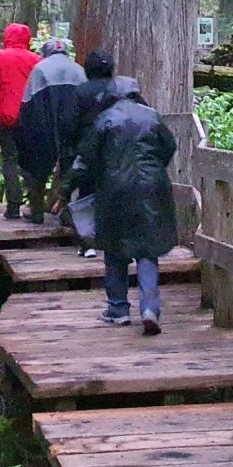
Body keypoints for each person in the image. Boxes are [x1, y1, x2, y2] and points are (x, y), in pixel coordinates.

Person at [69, 77, 177, 335]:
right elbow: (169, 146)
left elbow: (85, 159)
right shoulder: (152, 116)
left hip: (114, 188)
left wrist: (65, 190)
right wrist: (154, 167)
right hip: (152, 187)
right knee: (147, 250)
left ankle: (118, 310)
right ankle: (150, 308)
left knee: (115, 248)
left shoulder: (105, 118)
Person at [16, 39, 85, 223]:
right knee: (70, 168)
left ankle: (36, 210)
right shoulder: (78, 69)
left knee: (38, 169)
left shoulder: (40, 69)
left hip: (43, 127)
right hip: (73, 128)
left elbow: (28, 103)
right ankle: (67, 212)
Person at [0, 23, 41, 220]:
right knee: (31, 161)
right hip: (31, 118)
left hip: (8, 118)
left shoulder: (0, 57)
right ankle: (36, 205)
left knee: (10, 161)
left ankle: (13, 206)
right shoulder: (36, 60)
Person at [68, 50, 120, 258]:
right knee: (115, 194)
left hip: (89, 152)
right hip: (117, 152)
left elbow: (70, 122)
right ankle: (115, 241)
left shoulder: (81, 92)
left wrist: (74, 146)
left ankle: (87, 243)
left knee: (86, 195)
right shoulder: (120, 90)